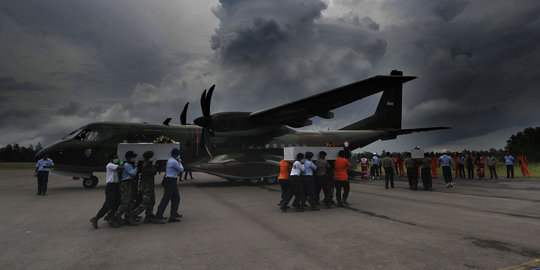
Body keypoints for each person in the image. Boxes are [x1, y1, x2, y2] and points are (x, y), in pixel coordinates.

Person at [90, 153, 123, 229]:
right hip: (111, 186)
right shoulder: (110, 165)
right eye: (115, 158)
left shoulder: (114, 165)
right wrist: (121, 161)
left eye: (117, 157)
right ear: (111, 159)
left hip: (115, 185)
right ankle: (96, 218)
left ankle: (110, 217)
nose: (116, 159)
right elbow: (121, 167)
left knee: (118, 202)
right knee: (108, 204)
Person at [155, 148, 184, 223]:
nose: (179, 155)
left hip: (170, 181)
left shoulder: (171, 160)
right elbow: (181, 170)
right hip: (171, 181)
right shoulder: (174, 161)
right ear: (175, 154)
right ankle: (159, 216)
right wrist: (180, 163)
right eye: (178, 154)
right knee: (166, 199)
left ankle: (173, 215)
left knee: (175, 198)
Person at [112, 150, 138, 226]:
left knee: (131, 202)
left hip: (129, 183)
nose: (134, 158)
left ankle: (128, 217)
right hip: (125, 184)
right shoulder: (126, 165)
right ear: (128, 158)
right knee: (125, 203)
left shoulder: (130, 164)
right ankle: (115, 217)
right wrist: (136, 167)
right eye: (133, 157)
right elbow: (133, 173)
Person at [132, 151, 158, 224]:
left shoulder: (148, 163)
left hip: (149, 186)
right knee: (145, 203)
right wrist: (154, 165)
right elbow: (153, 172)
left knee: (152, 201)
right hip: (146, 187)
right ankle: (133, 215)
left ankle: (148, 216)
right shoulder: (146, 164)